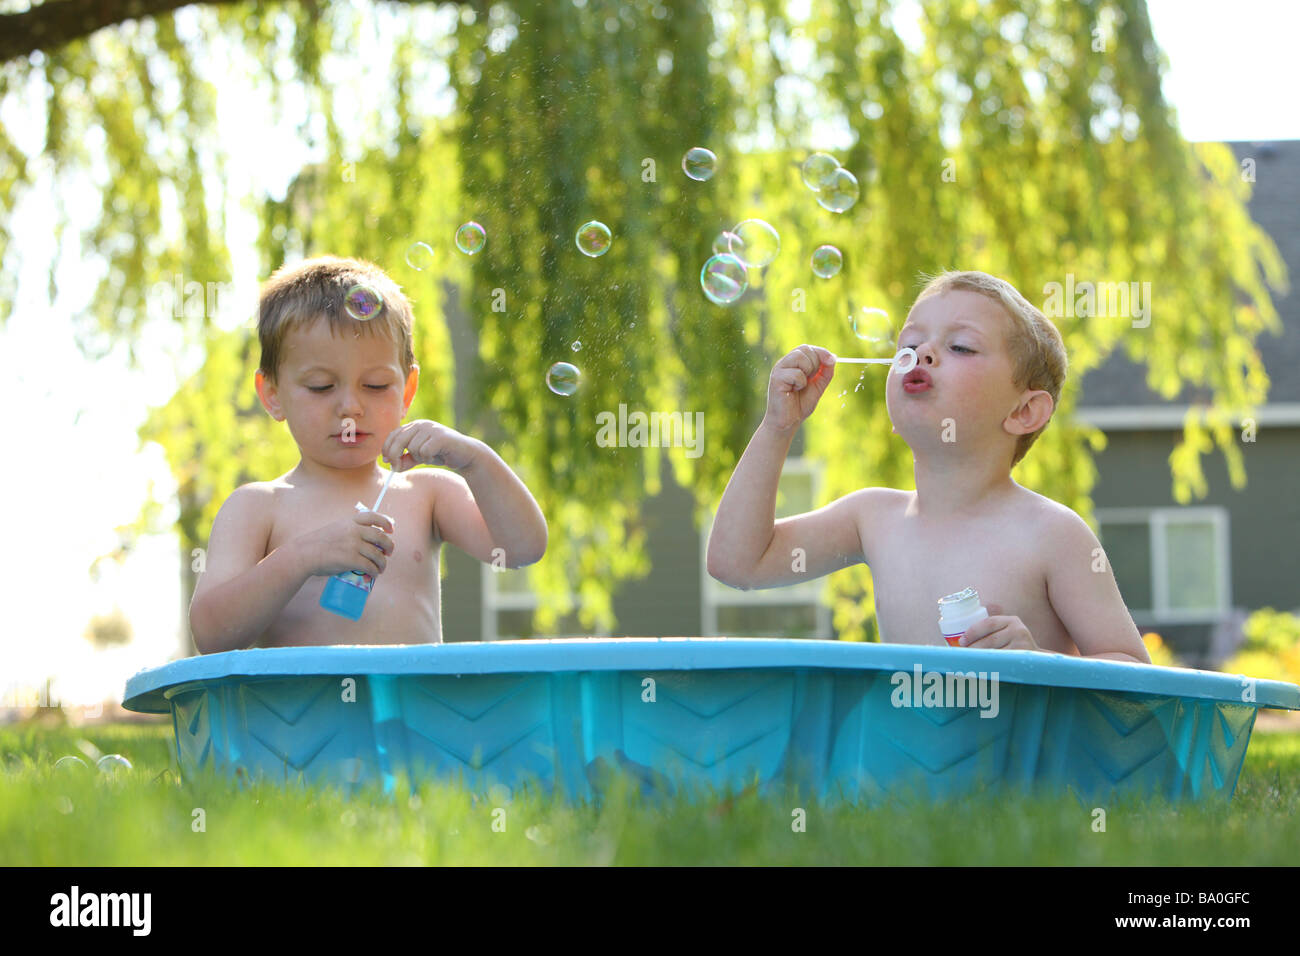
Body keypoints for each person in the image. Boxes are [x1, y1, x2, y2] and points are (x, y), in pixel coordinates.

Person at [707, 269, 1149, 662]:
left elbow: (1135, 675)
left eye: (960, 346)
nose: (923, 354)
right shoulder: (872, 519)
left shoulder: (1053, 533)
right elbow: (738, 563)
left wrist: (1041, 665)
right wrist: (778, 426)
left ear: (1024, 412)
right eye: (910, 344)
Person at [189, 255, 547, 654]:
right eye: (322, 386)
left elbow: (523, 549)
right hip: (305, 717)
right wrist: (302, 556)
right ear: (273, 395)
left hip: (415, 715)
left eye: (376, 386)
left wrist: (476, 459)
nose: (350, 407)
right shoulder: (258, 508)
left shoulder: (427, 494)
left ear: (407, 391)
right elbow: (211, 634)